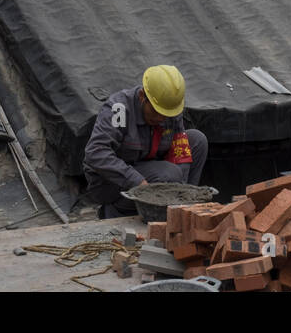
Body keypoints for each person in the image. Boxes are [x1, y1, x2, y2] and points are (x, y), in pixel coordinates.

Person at [83, 65, 208, 218]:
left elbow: (180, 152)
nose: (162, 119)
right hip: (110, 183)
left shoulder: (170, 110)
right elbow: (96, 152)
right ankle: (115, 211)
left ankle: (180, 211)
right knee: (168, 173)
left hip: (151, 170)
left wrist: (182, 192)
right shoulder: (119, 109)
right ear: (142, 96)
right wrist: (136, 181)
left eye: (166, 114)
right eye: (157, 112)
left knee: (197, 140)